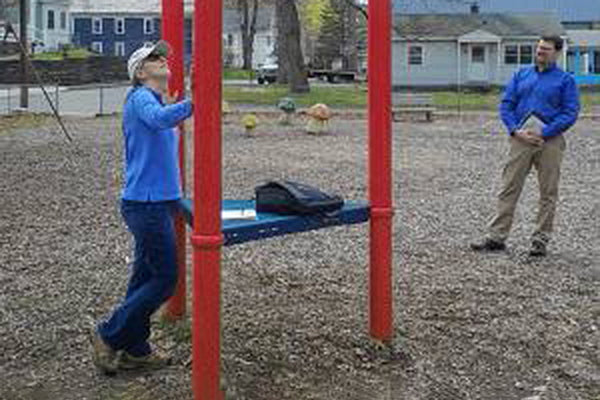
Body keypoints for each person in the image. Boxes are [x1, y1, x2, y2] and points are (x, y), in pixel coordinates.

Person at [91, 41, 193, 374]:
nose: (163, 59)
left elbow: (164, 122)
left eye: (163, 56)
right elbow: (161, 119)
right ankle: (108, 334)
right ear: (140, 72)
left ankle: (136, 348)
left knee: (142, 279)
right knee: (165, 279)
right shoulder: (139, 100)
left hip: (159, 201)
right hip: (144, 205)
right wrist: (195, 104)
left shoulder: (156, 100)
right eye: (153, 58)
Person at [471, 36, 580, 257]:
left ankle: (540, 241)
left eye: (546, 49)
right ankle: (496, 237)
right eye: (539, 48)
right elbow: (506, 105)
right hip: (520, 139)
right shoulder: (521, 75)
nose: (540, 52)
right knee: (509, 187)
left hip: (549, 141)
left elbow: (570, 112)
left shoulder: (565, 80)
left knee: (548, 192)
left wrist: (545, 131)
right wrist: (514, 130)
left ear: (557, 53)